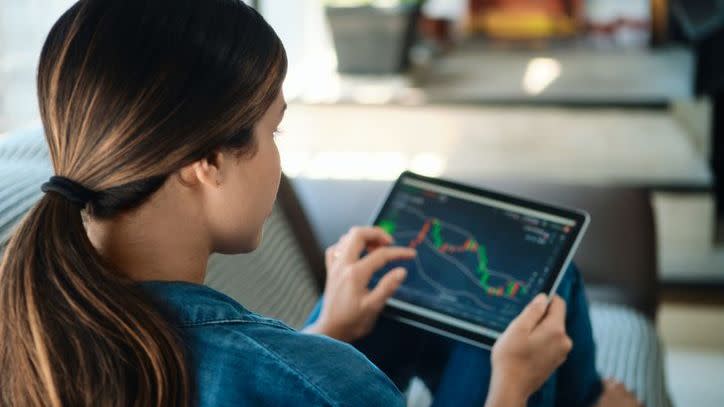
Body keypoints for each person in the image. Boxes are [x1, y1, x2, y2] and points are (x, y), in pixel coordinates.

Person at [0, 1, 639, 406]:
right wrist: (511, 389)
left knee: (438, 295)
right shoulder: (321, 381)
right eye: (273, 130)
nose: (279, 157)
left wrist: (327, 327)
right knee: (539, 292)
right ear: (207, 162)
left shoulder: (29, 328)